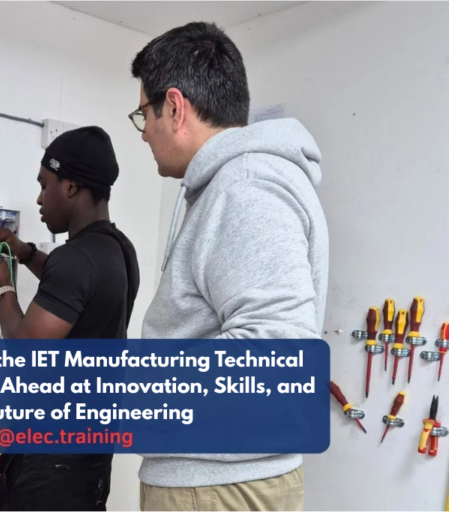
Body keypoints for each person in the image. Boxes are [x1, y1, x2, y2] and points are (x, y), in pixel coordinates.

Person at [129, 22, 329, 512]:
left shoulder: (243, 188)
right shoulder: (236, 184)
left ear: (174, 108)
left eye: (143, 116)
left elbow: (274, 352)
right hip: (219, 479)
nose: (144, 135)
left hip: (216, 486)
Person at [0, 126, 140, 511]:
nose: (39, 197)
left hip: (48, 465)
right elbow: (76, 290)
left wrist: (2, 288)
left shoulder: (76, 259)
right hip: (89, 459)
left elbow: (23, 348)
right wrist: (25, 252)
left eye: (44, 184)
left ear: (69, 187)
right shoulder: (118, 250)